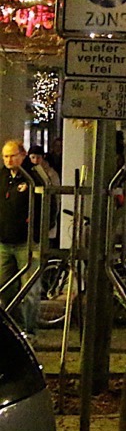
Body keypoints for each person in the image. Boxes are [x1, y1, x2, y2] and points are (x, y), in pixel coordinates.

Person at [0, 141, 42, 339]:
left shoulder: (33, 178)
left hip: (26, 242)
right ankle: (13, 329)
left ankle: (29, 330)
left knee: (29, 289)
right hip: (4, 242)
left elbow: (45, 206)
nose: (9, 160)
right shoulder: (2, 178)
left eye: (12, 155)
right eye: (5, 156)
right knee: (5, 288)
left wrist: (36, 232)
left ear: (22, 155)